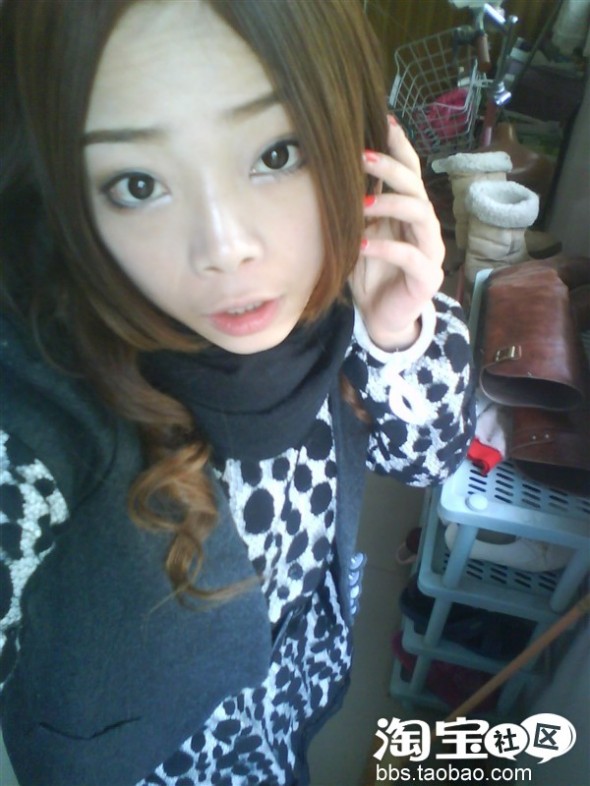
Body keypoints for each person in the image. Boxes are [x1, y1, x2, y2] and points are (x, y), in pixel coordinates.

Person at [0, 1, 475, 784]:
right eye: (138, 183)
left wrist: (396, 330)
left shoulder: (345, 296)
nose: (226, 249)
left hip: (294, 705)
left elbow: (428, 462)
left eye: (278, 152)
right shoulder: (41, 405)